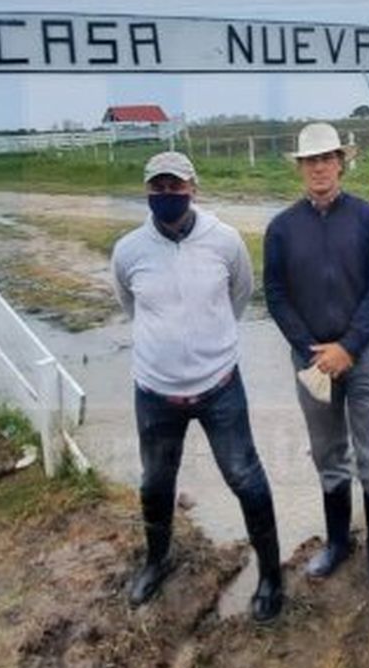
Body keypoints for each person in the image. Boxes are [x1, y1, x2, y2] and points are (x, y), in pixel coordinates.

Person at [111, 151, 284, 623]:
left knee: (246, 478)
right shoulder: (128, 251)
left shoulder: (225, 241)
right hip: (154, 392)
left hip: (219, 386)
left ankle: (272, 575)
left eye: (176, 186)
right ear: (147, 192)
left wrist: (206, 344)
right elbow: (129, 304)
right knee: (155, 482)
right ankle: (157, 559)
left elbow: (241, 295)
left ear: (193, 188)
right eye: (158, 188)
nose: (167, 195)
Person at [263, 122, 369, 592]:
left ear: (341, 162)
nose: (319, 167)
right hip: (311, 359)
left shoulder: (367, 219)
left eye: (327, 158)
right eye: (310, 160)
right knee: (328, 451)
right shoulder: (282, 228)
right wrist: (312, 352)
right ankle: (339, 542)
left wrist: (349, 346)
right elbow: (277, 295)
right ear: (300, 168)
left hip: (362, 355)